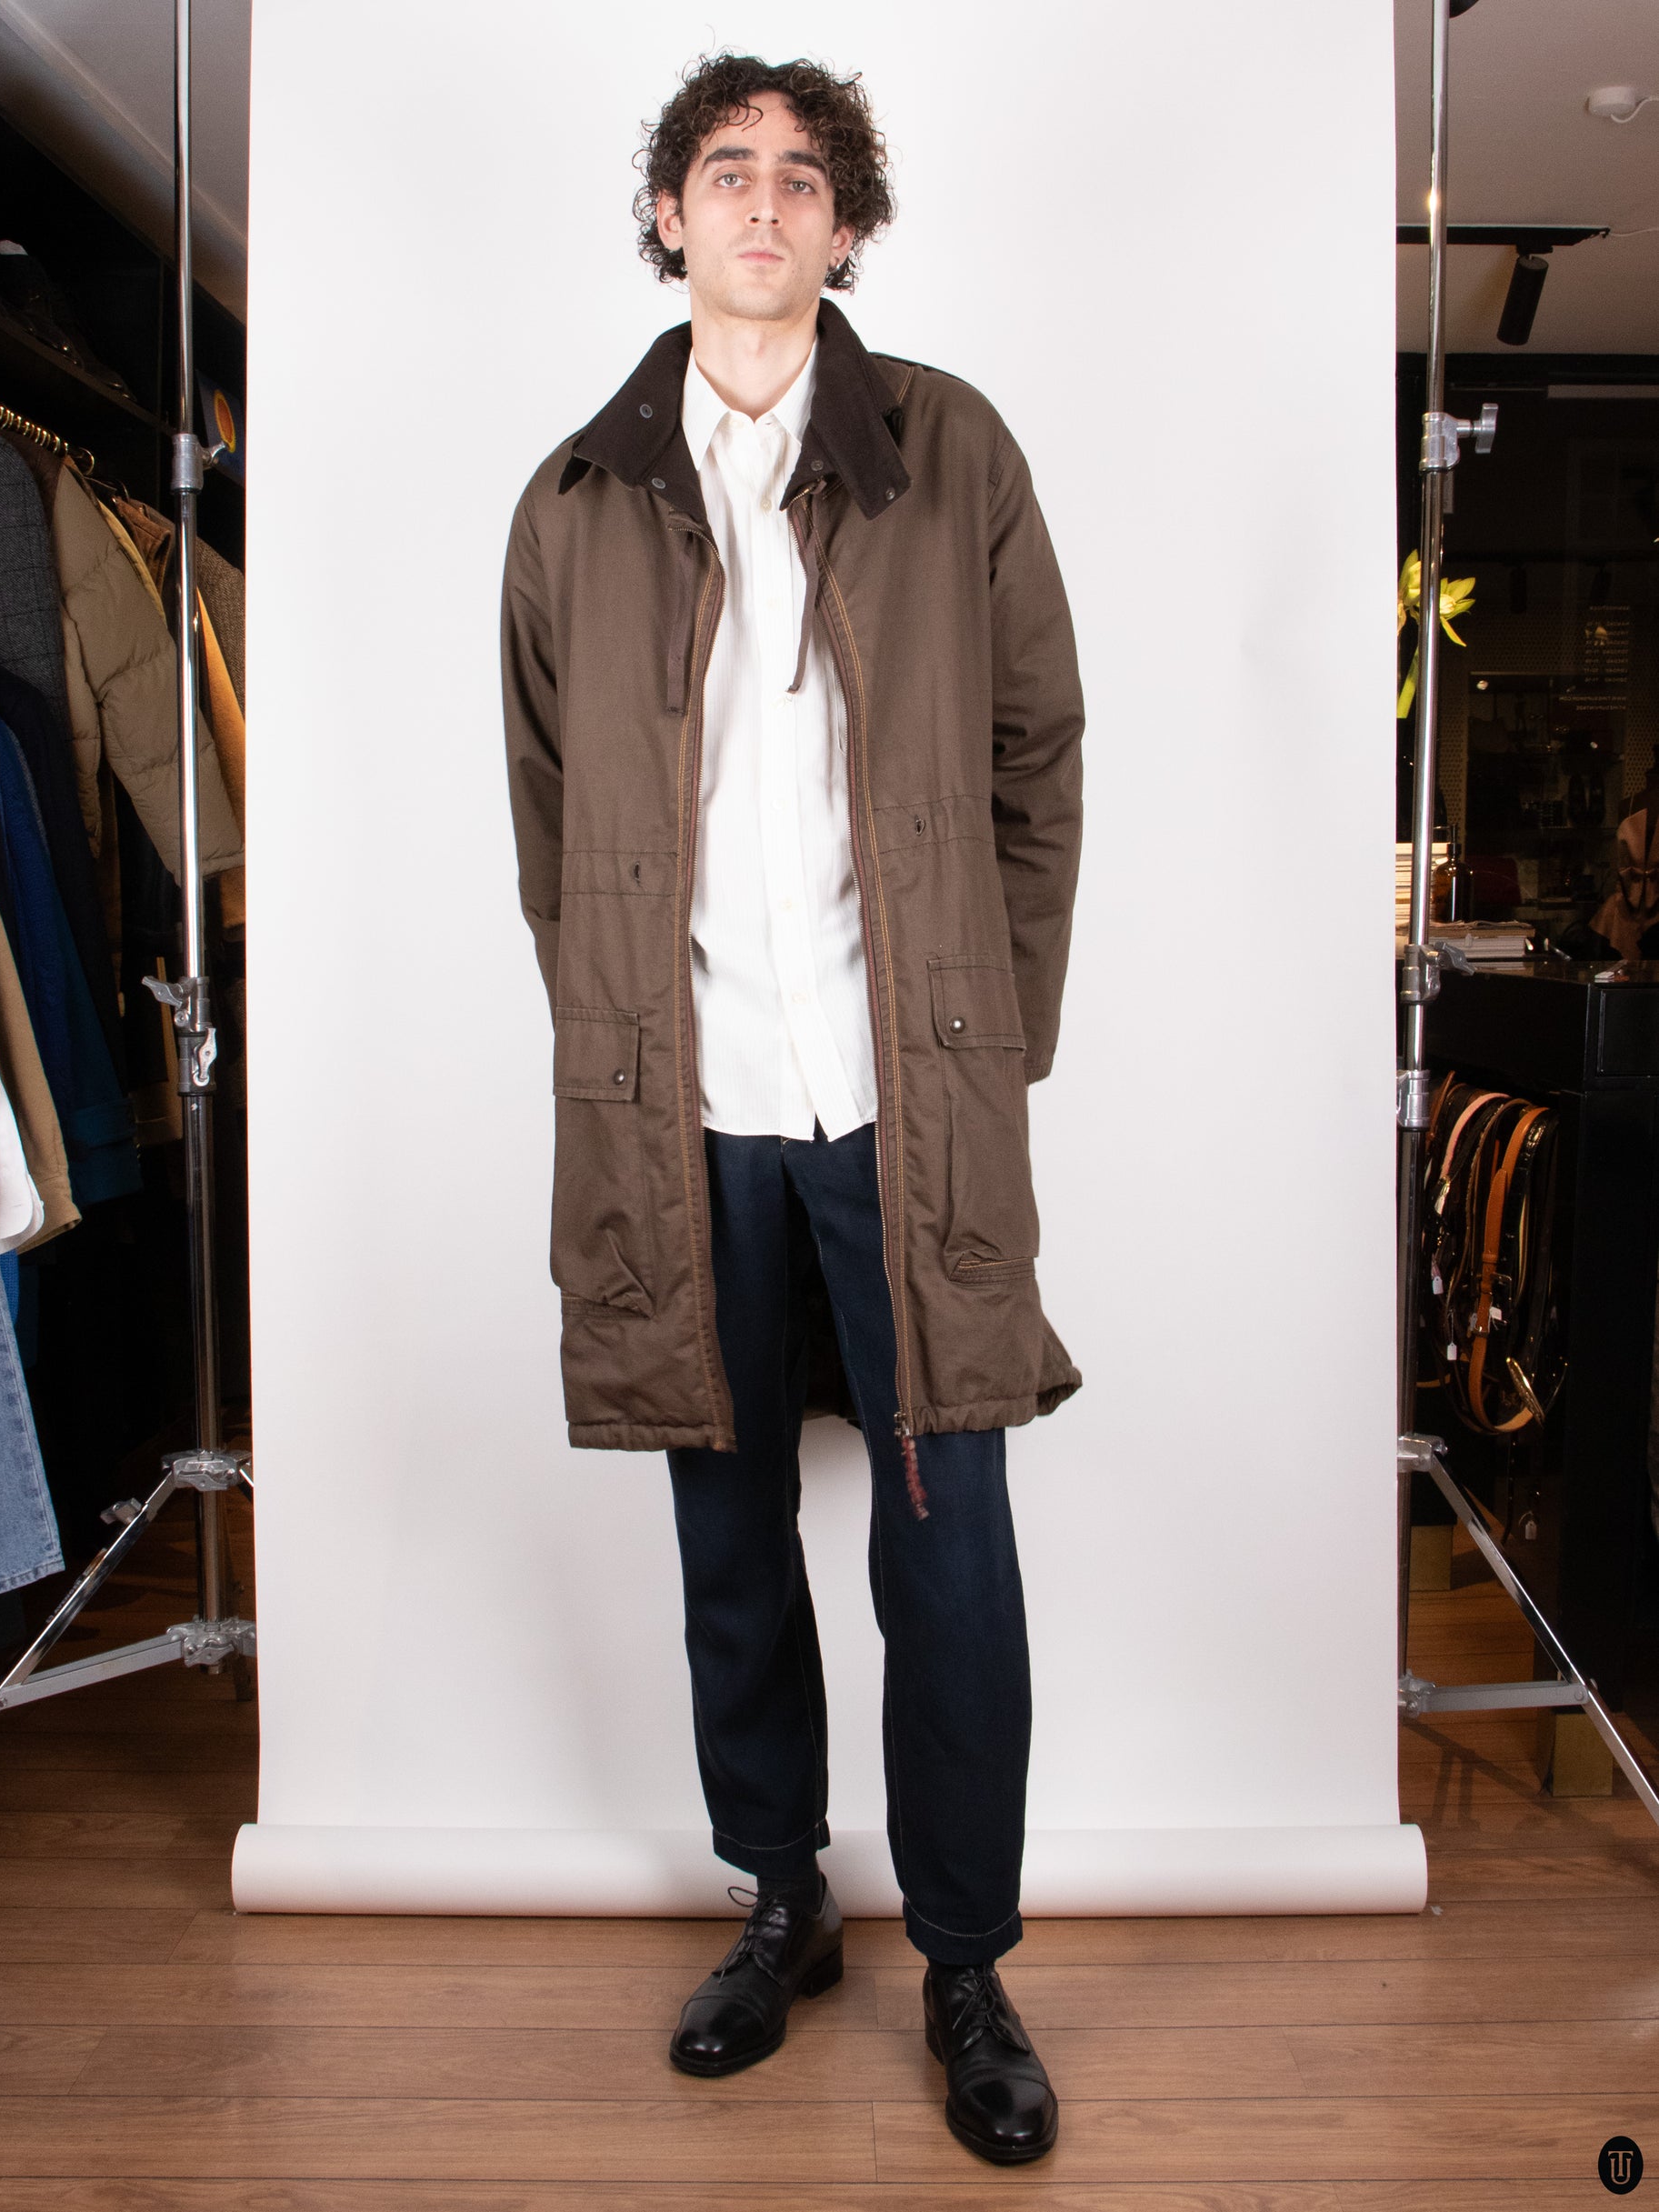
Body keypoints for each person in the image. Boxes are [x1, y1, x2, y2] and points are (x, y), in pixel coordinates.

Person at [501, 51, 1084, 2167]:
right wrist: (614, 1051)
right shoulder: (577, 497)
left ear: (848, 226)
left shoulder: (949, 447)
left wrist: (988, 1042)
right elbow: (550, 818)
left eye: (803, 174)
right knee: (727, 1541)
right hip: (685, 1118)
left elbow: (1036, 754)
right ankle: (780, 1898)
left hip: (901, 1100)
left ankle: (966, 1959)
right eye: (725, 169)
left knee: (950, 1561)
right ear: (669, 213)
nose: (764, 201)